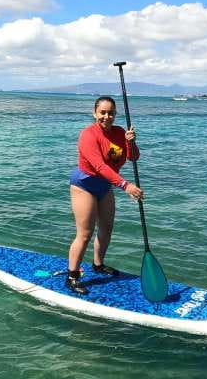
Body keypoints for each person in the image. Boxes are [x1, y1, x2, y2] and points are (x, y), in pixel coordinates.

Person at [65, 95, 144, 294]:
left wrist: (131, 143)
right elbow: (99, 166)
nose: (107, 116)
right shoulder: (88, 135)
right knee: (85, 234)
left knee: (107, 228)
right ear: (94, 113)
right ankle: (72, 276)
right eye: (103, 112)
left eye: (111, 113)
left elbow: (133, 157)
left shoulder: (119, 132)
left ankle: (98, 265)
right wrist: (125, 185)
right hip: (85, 184)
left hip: (105, 185)